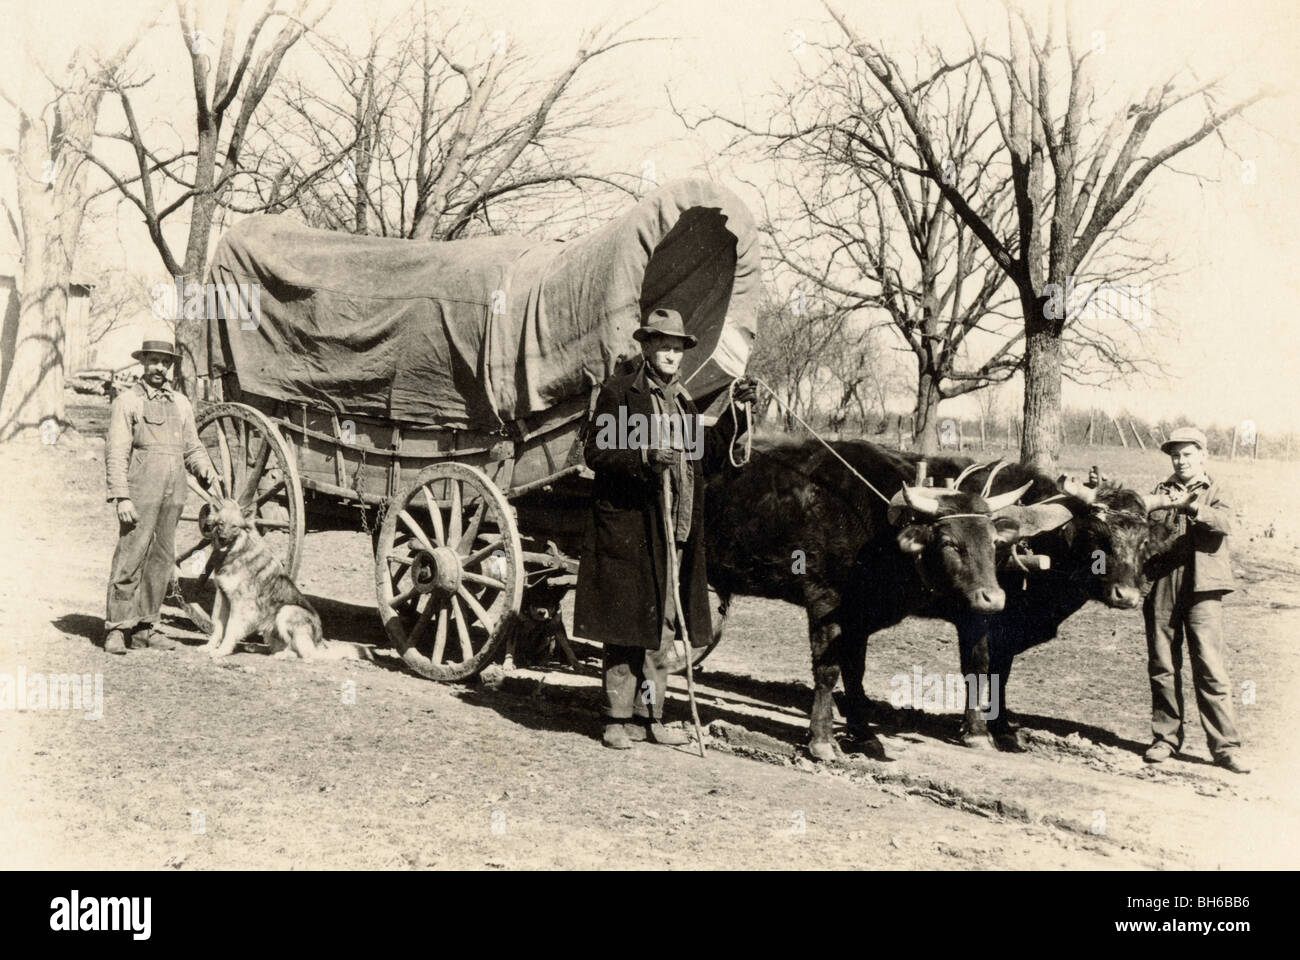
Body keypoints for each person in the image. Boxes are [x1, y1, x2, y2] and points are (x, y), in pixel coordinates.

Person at [573, 307, 756, 749]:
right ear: (647, 346)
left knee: (663, 627)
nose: (673, 354)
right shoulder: (620, 394)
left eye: (679, 347)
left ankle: (648, 714)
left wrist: (736, 411)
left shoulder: (683, 402)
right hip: (632, 531)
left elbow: (707, 456)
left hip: (675, 530)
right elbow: (596, 454)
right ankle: (616, 718)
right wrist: (644, 457)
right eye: (665, 346)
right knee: (625, 625)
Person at [1142, 426, 1249, 774]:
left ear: (1203, 455)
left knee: (1210, 667)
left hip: (1204, 586)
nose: (1180, 460)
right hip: (1162, 584)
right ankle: (1166, 738)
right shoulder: (1160, 490)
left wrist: (1194, 509)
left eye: (1187, 454)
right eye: (1175, 455)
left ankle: (1225, 747)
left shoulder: (1217, 489)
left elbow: (1226, 522)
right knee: (1162, 665)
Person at [104, 339, 220, 654]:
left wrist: (205, 469)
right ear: (143, 363)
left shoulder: (181, 403)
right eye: (153, 361)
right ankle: (117, 627)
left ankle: (146, 627)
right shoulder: (128, 402)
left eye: (164, 363)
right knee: (131, 556)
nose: (159, 368)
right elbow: (116, 452)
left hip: (174, 493)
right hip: (141, 490)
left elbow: (192, 447)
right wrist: (121, 496)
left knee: (162, 560)